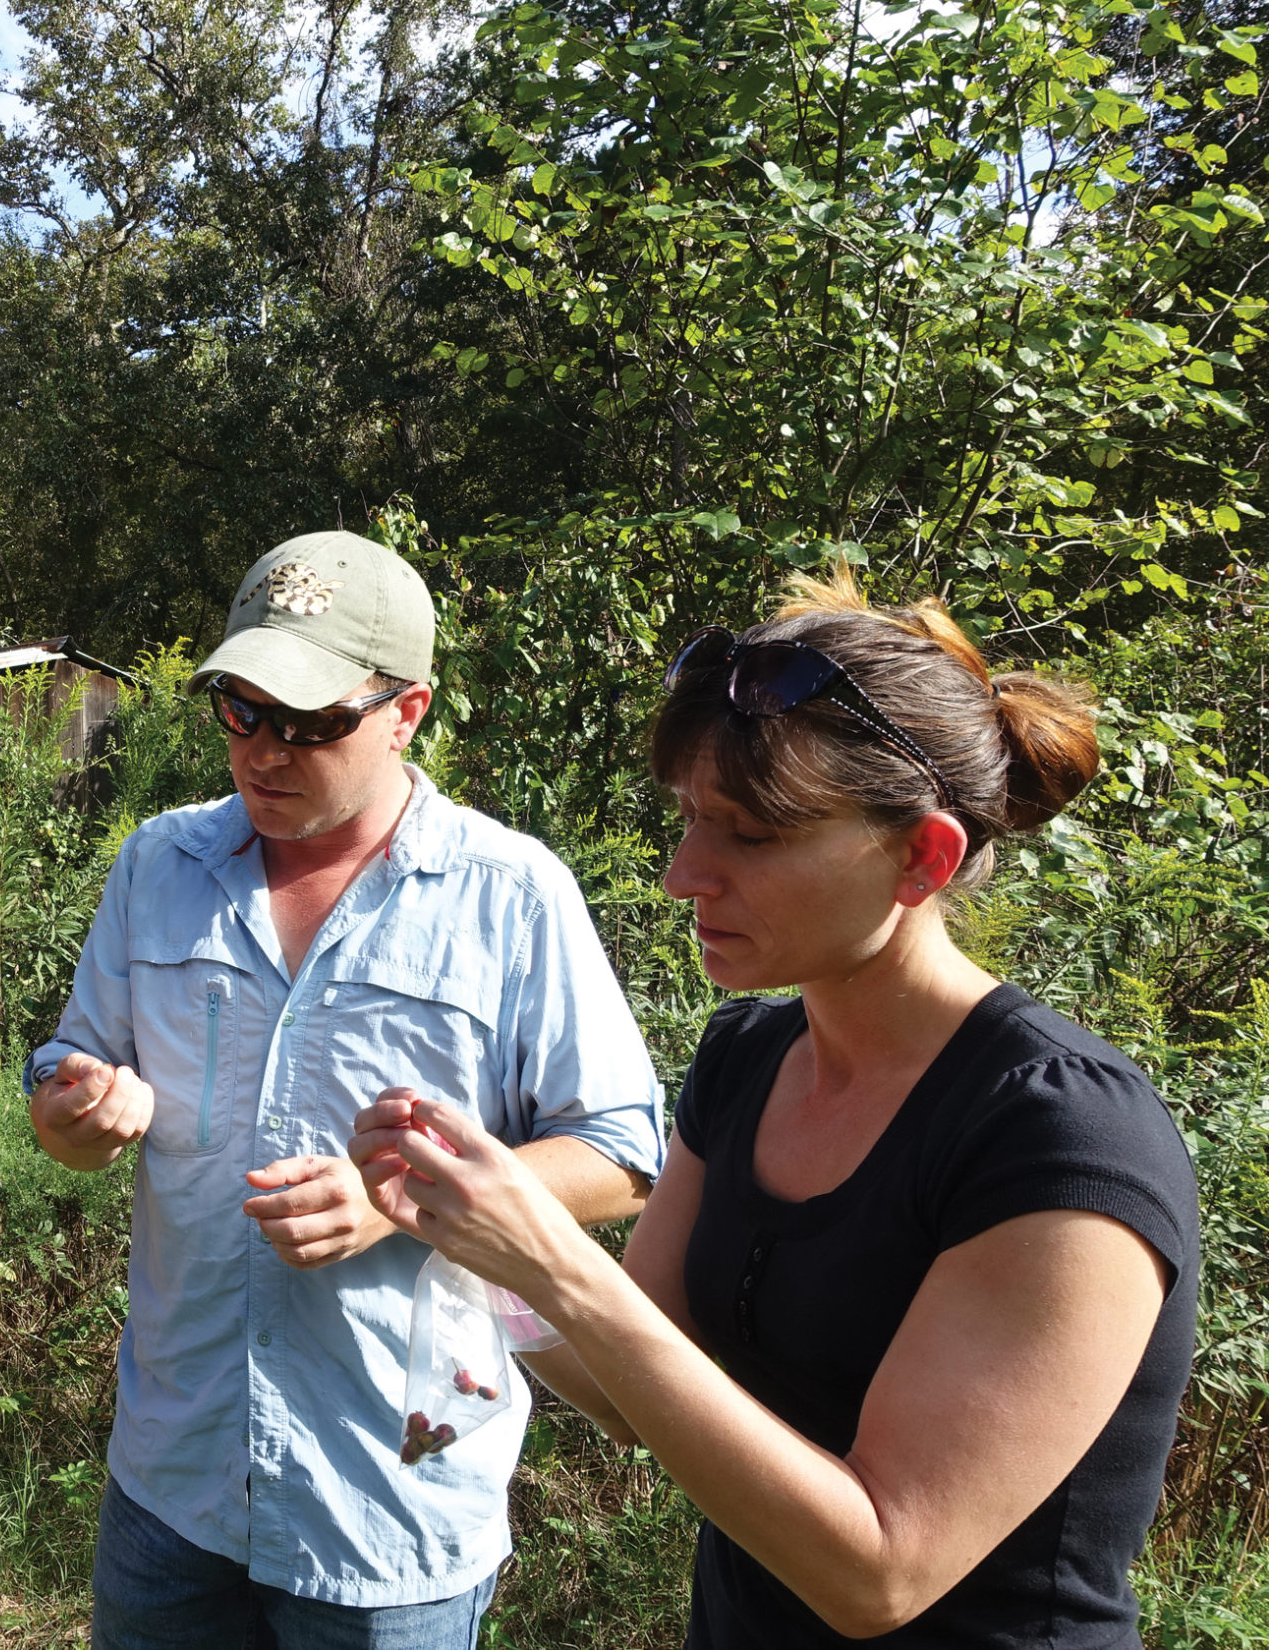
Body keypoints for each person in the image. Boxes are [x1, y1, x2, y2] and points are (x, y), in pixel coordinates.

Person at [348, 572, 1201, 1647]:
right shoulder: (748, 1060)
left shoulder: (1060, 1140)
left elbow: (881, 1574)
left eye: (748, 837)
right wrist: (473, 1239)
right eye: (690, 820)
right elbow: (631, 1389)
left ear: (920, 856)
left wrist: (556, 1259)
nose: (680, 875)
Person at [28, 531, 665, 1649]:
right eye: (240, 710)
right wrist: (74, 1115)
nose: (265, 752)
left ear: (406, 711)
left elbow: (619, 1153)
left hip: (388, 1500)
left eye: (313, 723)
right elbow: (69, 1078)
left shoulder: (508, 896)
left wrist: (398, 1201)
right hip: (173, 1477)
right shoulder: (157, 868)